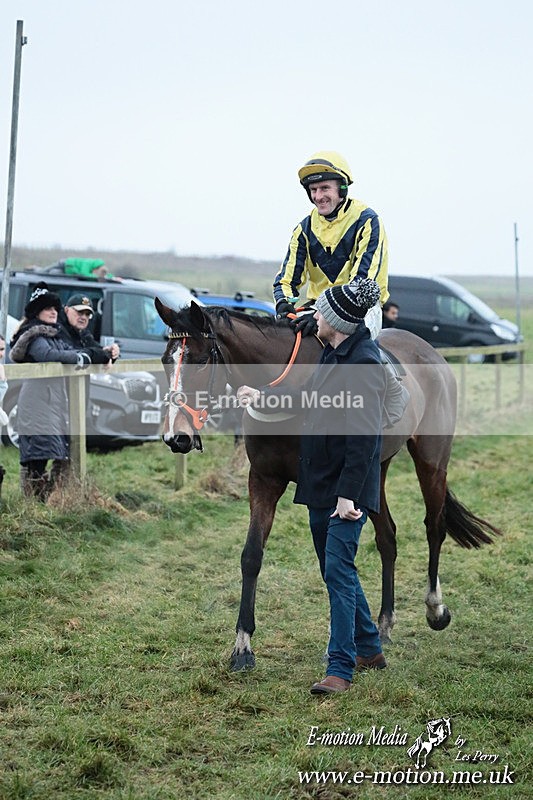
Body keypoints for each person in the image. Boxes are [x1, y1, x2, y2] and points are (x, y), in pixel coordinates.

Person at [237, 278, 387, 694]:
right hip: (321, 482)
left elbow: (364, 440)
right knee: (334, 569)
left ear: (336, 321)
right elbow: (309, 402)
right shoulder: (332, 355)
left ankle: (340, 669)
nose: (312, 317)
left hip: (346, 490)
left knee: (338, 571)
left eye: (319, 312)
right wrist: (262, 398)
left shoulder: (364, 365)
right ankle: (371, 647)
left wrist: (348, 495)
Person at [9, 282, 110, 500]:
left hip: (52, 403)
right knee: (36, 457)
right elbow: (48, 355)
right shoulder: (34, 335)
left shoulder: (52, 335)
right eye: (48, 309)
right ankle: (33, 506)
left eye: (55, 308)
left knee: (54, 452)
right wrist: (81, 358)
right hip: (38, 404)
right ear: (38, 312)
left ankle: (50, 501)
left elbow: (75, 350)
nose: (53, 312)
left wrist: (101, 354)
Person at [273, 151, 389, 339]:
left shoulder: (367, 221)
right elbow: (286, 280)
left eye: (324, 188)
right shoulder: (304, 229)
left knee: (350, 352)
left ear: (342, 189)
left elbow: (361, 285)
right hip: (315, 307)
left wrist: (322, 316)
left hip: (360, 308)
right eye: (313, 190)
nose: (318, 196)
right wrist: (284, 305)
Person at [60, 293, 120, 362]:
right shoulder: (58, 329)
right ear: (66, 310)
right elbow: (73, 353)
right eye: (80, 312)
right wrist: (100, 354)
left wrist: (110, 351)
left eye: (87, 314)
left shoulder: (83, 333)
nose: (83, 317)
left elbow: (95, 348)